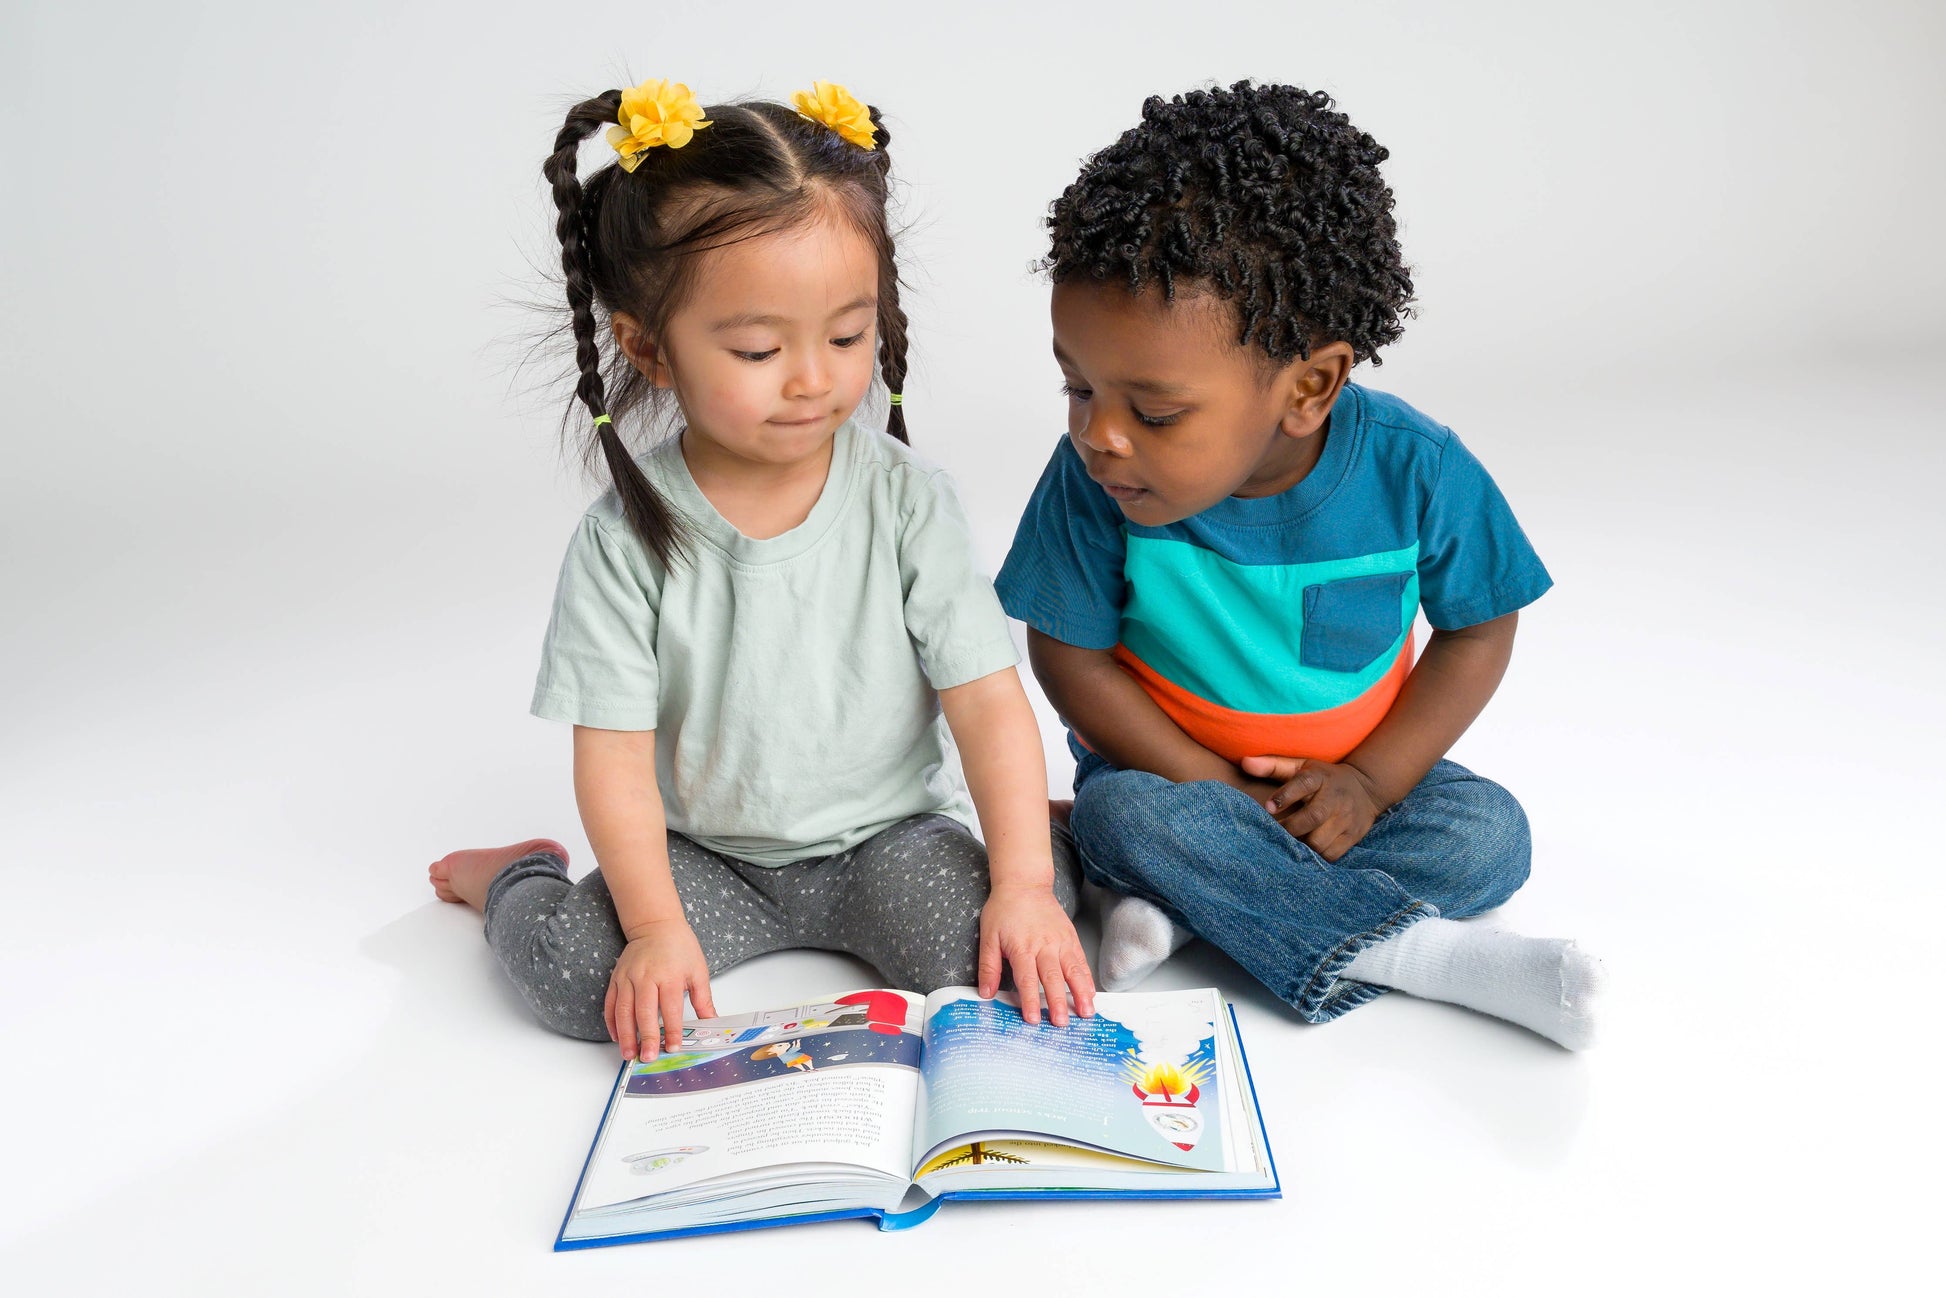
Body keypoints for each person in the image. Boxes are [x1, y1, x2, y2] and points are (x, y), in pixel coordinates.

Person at [431, 78, 1093, 1061]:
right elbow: (612, 755)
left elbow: (987, 699)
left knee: (1004, 948)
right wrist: (654, 928)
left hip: (888, 840)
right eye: (756, 348)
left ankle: (1047, 837)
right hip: (707, 859)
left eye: (847, 335)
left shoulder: (908, 500)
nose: (813, 378)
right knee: (579, 983)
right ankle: (516, 875)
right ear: (648, 349)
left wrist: (1023, 885)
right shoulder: (624, 538)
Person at [996, 82, 1603, 1050]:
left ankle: (1195, 904)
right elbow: (1067, 653)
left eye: (1153, 412)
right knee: (1119, 817)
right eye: (1077, 386)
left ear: (1309, 386)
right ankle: (1422, 957)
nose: (1099, 434)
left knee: (1490, 834)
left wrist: (1369, 781)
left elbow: (1480, 628)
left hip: (1349, 793)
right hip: (1171, 781)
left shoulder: (1415, 469)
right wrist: (1212, 789)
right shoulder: (1091, 482)